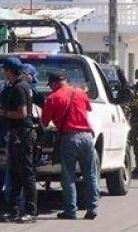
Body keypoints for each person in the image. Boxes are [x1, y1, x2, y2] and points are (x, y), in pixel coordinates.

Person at [42, 72, 99, 220]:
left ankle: (70, 211)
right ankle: (92, 208)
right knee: (90, 174)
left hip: (69, 138)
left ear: (54, 83)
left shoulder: (52, 98)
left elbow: (44, 122)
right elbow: (87, 109)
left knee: (69, 177)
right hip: (87, 137)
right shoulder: (80, 92)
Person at [0, 57, 38, 223]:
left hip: (22, 133)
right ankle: (14, 210)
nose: (3, 73)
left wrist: (0, 113)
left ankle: (31, 211)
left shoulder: (20, 88)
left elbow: (22, 113)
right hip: (16, 133)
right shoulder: (15, 86)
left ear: (9, 70)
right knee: (16, 173)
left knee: (26, 173)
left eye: (4, 70)